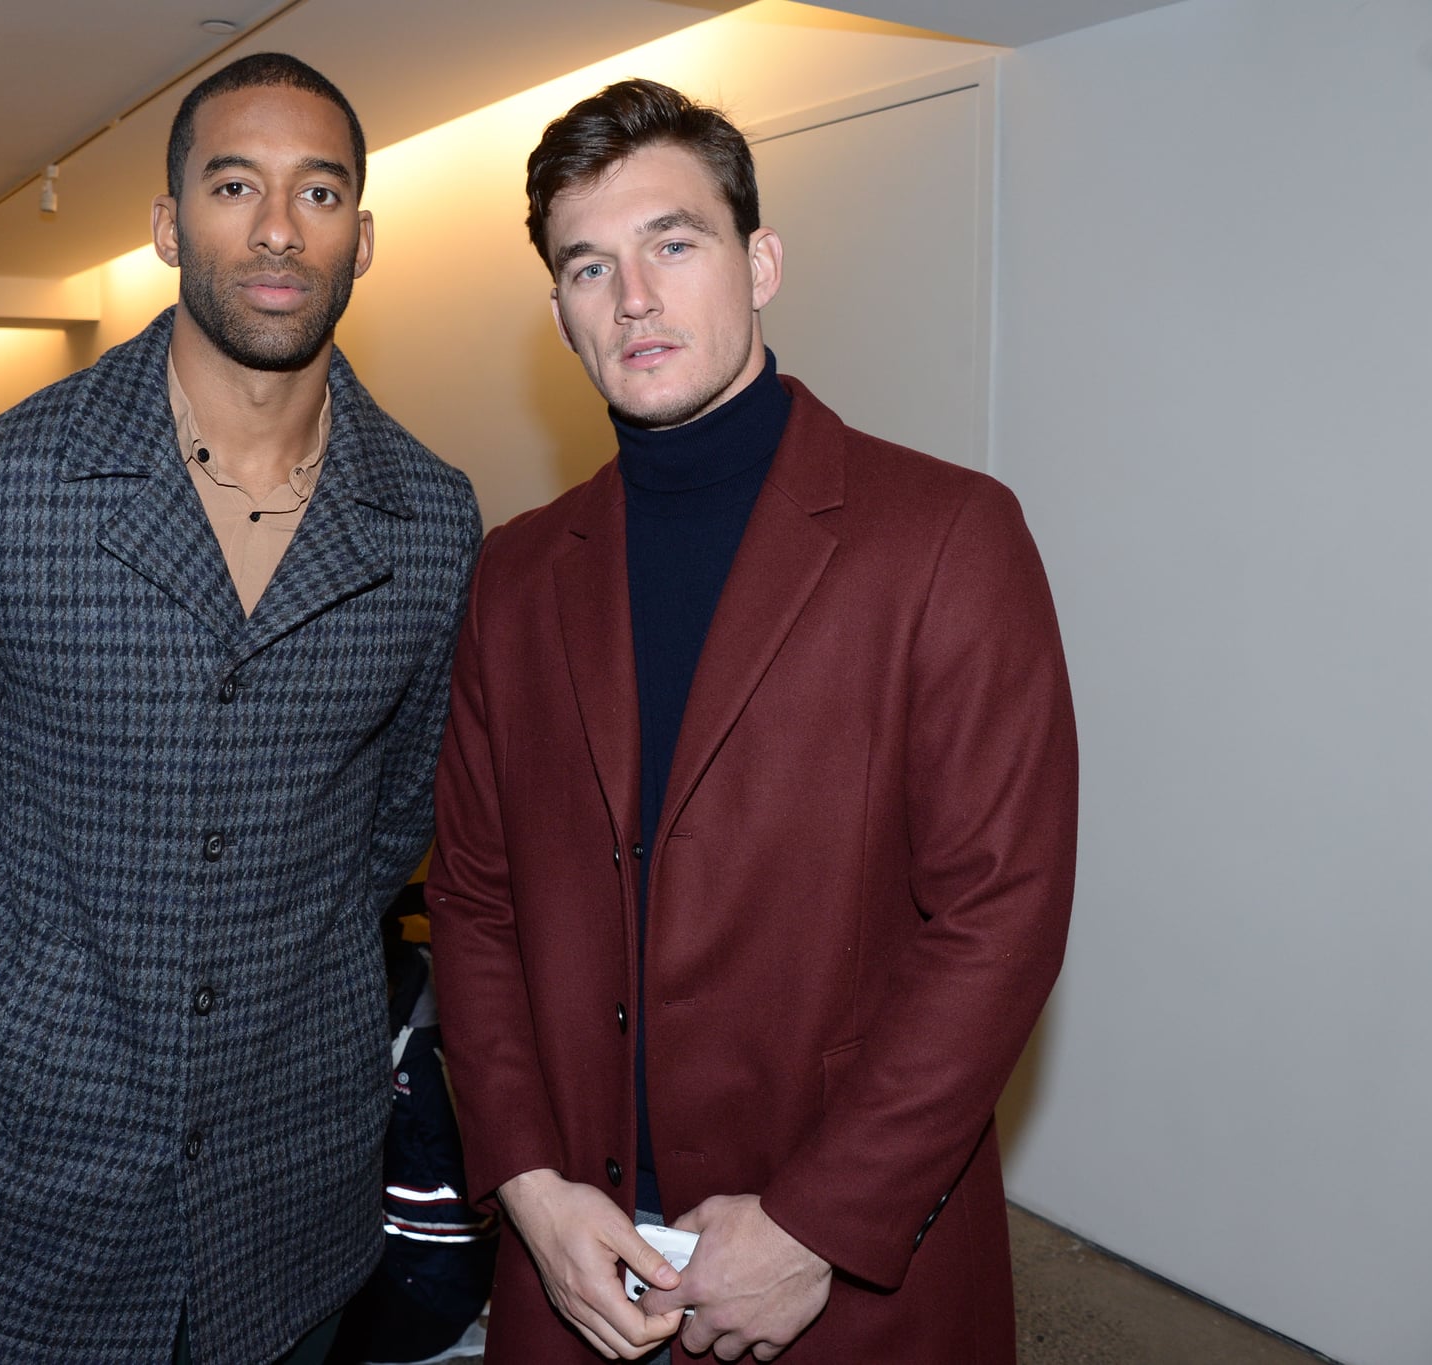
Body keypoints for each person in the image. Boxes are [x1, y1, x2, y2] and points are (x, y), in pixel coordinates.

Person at [427, 78, 1078, 1364]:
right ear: (556, 308)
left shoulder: (945, 537)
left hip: (841, 1273)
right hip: (578, 1265)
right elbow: (475, 901)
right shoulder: (514, 572)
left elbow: (997, 920)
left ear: (759, 260)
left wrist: (813, 1227)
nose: (632, 298)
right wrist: (526, 1188)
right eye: (586, 267)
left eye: (673, 243)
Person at [0, 52, 483, 1365]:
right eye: (233, 185)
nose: (275, 226)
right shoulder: (4, 486)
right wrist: (50, 984)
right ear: (165, 226)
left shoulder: (428, 515)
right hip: (50, 1174)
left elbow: (397, 813)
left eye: (318, 192)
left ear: (361, 239)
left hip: (297, 1179)